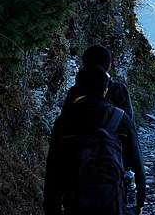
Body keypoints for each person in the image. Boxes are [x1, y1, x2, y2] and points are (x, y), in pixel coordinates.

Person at [44, 64, 146, 215]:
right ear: (105, 90)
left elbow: (54, 169)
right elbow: (137, 162)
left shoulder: (64, 121)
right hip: (112, 198)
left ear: (77, 88)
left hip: (76, 199)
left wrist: (52, 207)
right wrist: (140, 201)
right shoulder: (120, 117)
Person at [63, 45, 134, 121]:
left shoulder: (74, 90)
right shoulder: (119, 89)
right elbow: (129, 122)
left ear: (84, 62)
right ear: (108, 66)